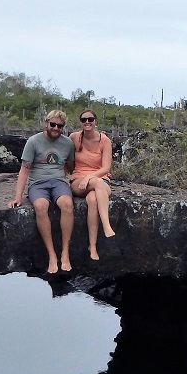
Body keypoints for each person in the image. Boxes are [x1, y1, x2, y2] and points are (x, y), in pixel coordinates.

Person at [9, 110, 75, 274]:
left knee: (67, 204)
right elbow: (24, 171)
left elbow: (72, 166)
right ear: (46, 123)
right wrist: (18, 197)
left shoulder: (67, 143)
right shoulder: (33, 142)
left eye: (60, 126)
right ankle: (52, 255)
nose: (56, 128)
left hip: (59, 181)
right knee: (40, 206)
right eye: (52, 124)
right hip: (38, 183)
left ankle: (65, 253)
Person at [69, 109, 115, 260]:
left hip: (100, 178)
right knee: (95, 183)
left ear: (96, 121)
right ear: (80, 122)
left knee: (93, 199)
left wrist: (90, 177)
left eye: (90, 119)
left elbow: (106, 168)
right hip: (79, 180)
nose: (87, 122)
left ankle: (92, 246)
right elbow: (66, 159)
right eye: (84, 120)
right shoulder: (74, 138)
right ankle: (106, 225)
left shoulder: (104, 140)